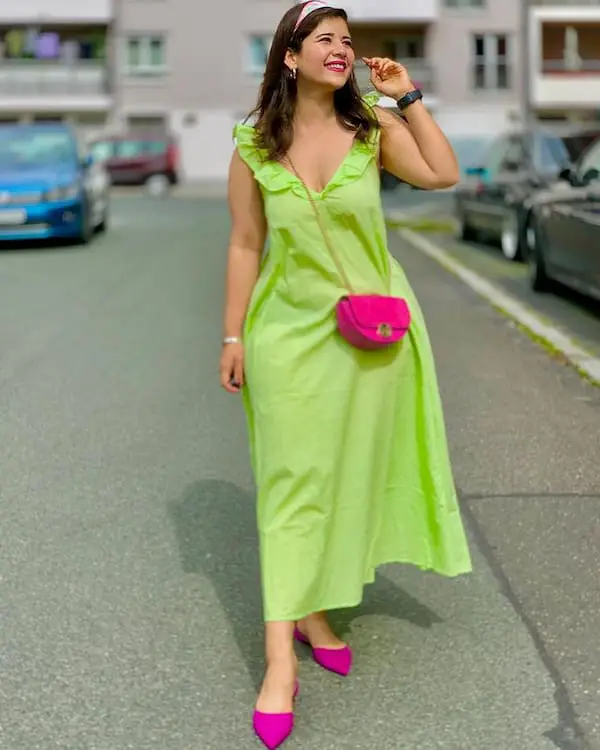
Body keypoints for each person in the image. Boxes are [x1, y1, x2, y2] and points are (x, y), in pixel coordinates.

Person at [220, 2, 472, 747]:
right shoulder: (254, 145)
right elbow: (243, 245)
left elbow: (442, 174)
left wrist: (408, 98)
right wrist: (232, 334)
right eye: (324, 39)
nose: (342, 49)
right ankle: (278, 663)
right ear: (289, 58)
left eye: (349, 41)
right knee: (292, 484)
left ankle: (315, 611)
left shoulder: (373, 130)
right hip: (287, 339)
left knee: (346, 477)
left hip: (372, 339)